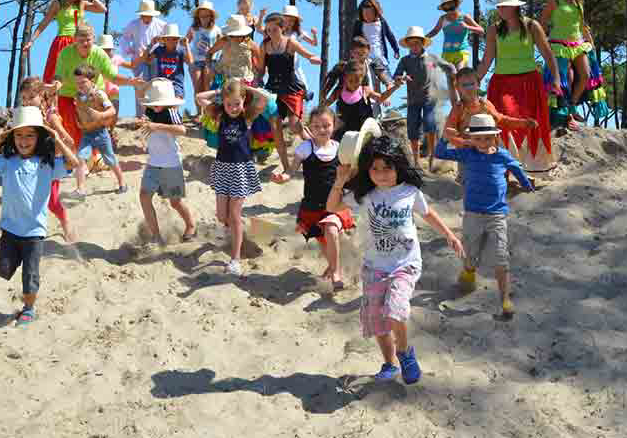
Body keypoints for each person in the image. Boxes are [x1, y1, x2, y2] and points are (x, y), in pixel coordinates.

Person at [325, 136, 464, 384]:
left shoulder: (410, 192)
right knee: (377, 320)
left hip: (405, 264)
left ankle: (405, 354)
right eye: (375, 168)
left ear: (398, 166)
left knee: (396, 311)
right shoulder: (365, 196)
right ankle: (389, 364)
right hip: (374, 267)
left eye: (387, 167)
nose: (381, 174)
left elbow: (428, 213)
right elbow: (332, 207)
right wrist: (340, 181)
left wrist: (450, 235)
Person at [0, 105, 80, 326]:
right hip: (10, 229)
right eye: (19, 135)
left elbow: (74, 163)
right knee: (3, 271)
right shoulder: (6, 162)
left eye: (30, 136)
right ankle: (14, 278)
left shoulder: (48, 163)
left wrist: (56, 137)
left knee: (30, 275)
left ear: (39, 137)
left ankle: (28, 308)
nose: (24, 141)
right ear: (12, 137)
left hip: (34, 232)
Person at [433, 114, 534, 320]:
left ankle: (505, 299)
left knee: (501, 257)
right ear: (471, 139)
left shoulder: (502, 155)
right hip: (472, 214)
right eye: (478, 138)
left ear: (495, 137)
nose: (483, 142)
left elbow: (516, 167)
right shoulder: (467, 154)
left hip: (497, 214)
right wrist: (445, 136)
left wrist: (526, 184)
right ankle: (469, 271)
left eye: (487, 138)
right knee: (470, 251)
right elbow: (439, 152)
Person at [475, 0, 562, 163]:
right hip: (502, 84)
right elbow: (486, 61)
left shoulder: (532, 26)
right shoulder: (494, 29)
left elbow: (548, 54)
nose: (500, 9)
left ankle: (529, 170)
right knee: (504, 123)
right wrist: (473, 82)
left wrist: (557, 79)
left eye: (505, 6)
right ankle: (506, 170)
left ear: (514, 7)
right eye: (499, 6)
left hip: (529, 82)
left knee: (529, 124)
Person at [196, 79, 271, 276]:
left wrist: (247, 88)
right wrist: (218, 92)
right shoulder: (220, 114)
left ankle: (235, 259)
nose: (233, 108)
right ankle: (240, 232)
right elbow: (198, 98)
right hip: (222, 168)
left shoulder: (246, 117)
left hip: (240, 169)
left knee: (234, 214)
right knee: (223, 216)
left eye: (237, 103)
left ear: (243, 101)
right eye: (229, 104)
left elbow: (264, 99)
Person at [286, 106, 355, 290]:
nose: (322, 129)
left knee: (331, 231)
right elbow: (291, 170)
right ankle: (333, 267)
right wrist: (283, 177)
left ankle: (336, 272)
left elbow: (350, 172)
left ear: (334, 126)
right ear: (310, 127)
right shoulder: (304, 148)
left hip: (336, 206)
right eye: (317, 126)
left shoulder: (340, 149)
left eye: (326, 125)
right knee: (326, 243)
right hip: (312, 208)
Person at [53, 24, 144, 156]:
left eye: (88, 40)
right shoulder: (65, 53)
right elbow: (59, 76)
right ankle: (78, 158)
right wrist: (55, 85)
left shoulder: (100, 53)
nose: (85, 43)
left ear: (93, 39)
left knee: (95, 125)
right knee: (71, 126)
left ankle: (94, 157)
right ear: (74, 39)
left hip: (93, 95)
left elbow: (112, 76)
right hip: (68, 93)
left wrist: (130, 81)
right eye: (81, 40)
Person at [540, 0, 609, 125]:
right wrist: (543, 42)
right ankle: (566, 116)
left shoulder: (580, 0)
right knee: (566, 79)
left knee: (585, 75)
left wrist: (590, 42)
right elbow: (542, 22)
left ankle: (571, 106)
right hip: (558, 44)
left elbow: (582, 24)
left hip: (578, 43)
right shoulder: (554, 1)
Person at [259, 12, 322, 184]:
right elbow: (260, 69)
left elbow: (308, 55)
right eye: (268, 30)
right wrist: (255, 82)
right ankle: (286, 167)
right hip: (273, 90)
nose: (271, 32)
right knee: (275, 126)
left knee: (295, 126)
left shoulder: (290, 43)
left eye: (274, 29)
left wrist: (313, 59)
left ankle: (319, 151)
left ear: (283, 28)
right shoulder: (264, 45)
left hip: (292, 88)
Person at [202, 15, 275, 159]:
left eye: (240, 34)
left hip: (245, 83)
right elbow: (209, 53)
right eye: (234, 34)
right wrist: (211, 67)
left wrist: (257, 78)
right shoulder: (223, 41)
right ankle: (224, 147)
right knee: (222, 114)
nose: (237, 37)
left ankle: (255, 148)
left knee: (253, 115)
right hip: (226, 82)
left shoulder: (251, 44)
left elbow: (260, 65)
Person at [388, 26, 457, 171]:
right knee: (413, 127)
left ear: (422, 43)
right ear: (407, 45)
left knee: (429, 123)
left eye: (417, 43)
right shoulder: (405, 61)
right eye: (411, 43)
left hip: (429, 98)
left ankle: (432, 156)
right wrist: (401, 78)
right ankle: (415, 160)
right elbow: (396, 76)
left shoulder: (431, 58)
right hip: (413, 100)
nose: (414, 46)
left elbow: (448, 67)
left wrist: (455, 73)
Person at [18, 76, 78, 241]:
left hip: (51, 163)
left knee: (52, 201)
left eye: (31, 97)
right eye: (24, 98)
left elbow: (66, 137)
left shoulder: (50, 115)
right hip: (32, 163)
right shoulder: (26, 116)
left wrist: (63, 147)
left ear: (41, 95)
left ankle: (65, 222)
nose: (27, 101)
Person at [137, 79, 196, 243]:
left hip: (171, 164)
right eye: (154, 102)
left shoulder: (171, 112)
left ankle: (191, 225)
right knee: (144, 196)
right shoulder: (148, 110)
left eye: (159, 102)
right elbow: (145, 123)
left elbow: (182, 130)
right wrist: (144, 128)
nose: (156, 105)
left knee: (175, 202)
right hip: (153, 163)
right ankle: (156, 236)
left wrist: (156, 126)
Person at [22, 0, 106, 82]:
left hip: (79, 42)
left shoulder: (82, 4)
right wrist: (32, 41)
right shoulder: (57, 4)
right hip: (62, 42)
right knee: (57, 75)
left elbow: (103, 9)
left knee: (80, 75)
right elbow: (43, 24)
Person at [72, 65, 126, 195]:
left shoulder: (100, 94)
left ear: (92, 81)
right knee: (80, 158)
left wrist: (100, 115)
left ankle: (122, 183)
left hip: (101, 132)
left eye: (83, 82)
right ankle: (80, 189)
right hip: (86, 133)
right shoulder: (78, 96)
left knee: (110, 159)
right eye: (77, 82)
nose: (80, 85)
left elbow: (112, 110)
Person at [443, 67, 537, 139]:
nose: (469, 88)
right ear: (457, 87)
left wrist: (523, 123)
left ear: (478, 84)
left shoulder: (485, 105)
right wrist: (461, 141)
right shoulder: (459, 108)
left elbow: (502, 120)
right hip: (467, 155)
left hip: (488, 151)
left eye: (472, 84)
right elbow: (449, 130)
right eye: (465, 85)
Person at [323, 60, 398, 140]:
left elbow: (381, 98)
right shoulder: (339, 91)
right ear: (345, 78)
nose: (353, 84)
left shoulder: (365, 90)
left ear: (362, 80)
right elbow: (325, 105)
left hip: (365, 132)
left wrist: (395, 87)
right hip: (346, 134)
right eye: (350, 81)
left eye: (357, 81)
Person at [119, 0, 168, 117]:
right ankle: (141, 115)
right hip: (139, 58)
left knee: (156, 85)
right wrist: (130, 51)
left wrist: (159, 50)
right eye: (145, 15)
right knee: (140, 84)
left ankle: (156, 115)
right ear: (141, 14)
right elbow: (124, 39)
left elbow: (168, 40)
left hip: (155, 58)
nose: (148, 17)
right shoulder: (133, 24)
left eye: (150, 15)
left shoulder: (161, 25)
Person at [320, 36, 394, 107]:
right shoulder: (347, 68)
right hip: (347, 108)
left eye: (364, 54)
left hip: (371, 106)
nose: (361, 57)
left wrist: (387, 95)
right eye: (358, 54)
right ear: (351, 52)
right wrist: (323, 106)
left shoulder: (373, 64)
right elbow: (337, 91)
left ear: (368, 52)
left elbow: (387, 81)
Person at [425, 0, 483, 69]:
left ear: (455, 4)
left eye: (451, 4)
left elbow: (481, 30)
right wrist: (423, 38)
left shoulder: (464, 17)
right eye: (446, 6)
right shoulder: (443, 19)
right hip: (447, 53)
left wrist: (467, 27)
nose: (449, 7)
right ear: (444, 8)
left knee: (459, 73)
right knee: (449, 78)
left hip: (461, 52)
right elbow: (435, 31)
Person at [351, 0, 399, 93]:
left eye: (370, 14)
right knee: (367, 77)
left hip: (379, 55)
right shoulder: (359, 24)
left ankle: (388, 85)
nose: (367, 16)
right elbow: (354, 40)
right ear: (361, 13)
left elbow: (390, 36)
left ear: (376, 12)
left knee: (381, 71)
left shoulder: (381, 22)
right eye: (365, 14)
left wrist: (396, 49)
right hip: (364, 56)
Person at [185, 0, 221, 119]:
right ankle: (199, 113)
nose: (204, 18)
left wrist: (218, 58)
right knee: (197, 86)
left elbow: (222, 43)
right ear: (198, 16)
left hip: (211, 61)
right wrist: (187, 56)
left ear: (211, 16)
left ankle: (207, 112)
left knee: (208, 86)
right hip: (196, 61)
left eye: (206, 16)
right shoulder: (193, 29)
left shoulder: (216, 29)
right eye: (202, 16)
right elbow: (185, 42)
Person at [140, 23, 192, 100]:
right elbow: (145, 60)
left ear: (178, 40)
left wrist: (187, 45)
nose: (171, 41)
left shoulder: (180, 51)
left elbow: (190, 62)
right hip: (162, 82)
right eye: (168, 39)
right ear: (163, 40)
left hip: (176, 83)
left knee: (176, 101)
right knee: (160, 102)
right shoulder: (159, 50)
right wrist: (151, 44)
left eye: (174, 39)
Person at [99, 33, 130, 149]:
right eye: (104, 49)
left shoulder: (116, 59)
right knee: (103, 115)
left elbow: (131, 65)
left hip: (114, 90)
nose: (106, 51)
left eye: (108, 49)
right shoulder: (97, 59)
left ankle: (110, 133)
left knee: (115, 113)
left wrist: (142, 56)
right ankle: (106, 136)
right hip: (101, 91)